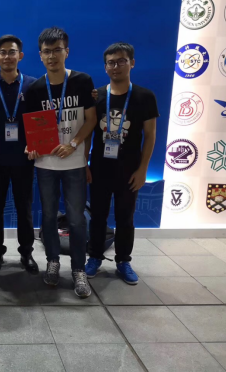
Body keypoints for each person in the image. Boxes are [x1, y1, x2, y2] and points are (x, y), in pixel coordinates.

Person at [25, 27, 97, 297]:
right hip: (45, 165)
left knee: (77, 219)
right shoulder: (35, 89)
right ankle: (53, 262)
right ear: (40, 55)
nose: (52, 56)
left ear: (67, 51)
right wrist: (31, 148)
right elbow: (32, 131)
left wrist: (74, 144)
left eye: (57, 50)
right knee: (48, 216)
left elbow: (91, 120)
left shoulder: (81, 81)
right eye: (47, 51)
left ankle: (78, 269)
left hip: (74, 163)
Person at [85, 42, 158, 284]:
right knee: (97, 216)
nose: (115, 66)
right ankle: (94, 257)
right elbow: (88, 133)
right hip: (99, 168)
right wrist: (85, 164)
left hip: (129, 169)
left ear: (132, 63)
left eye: (121, 61)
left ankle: (123, 261)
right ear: (105, 67)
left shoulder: (144, 97)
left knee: (125, 217)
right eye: (111, 63)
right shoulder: (96, 96)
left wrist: (143, 169)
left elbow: (150, 136)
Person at [0, 35, 38, 274]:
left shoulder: (32, 85)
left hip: (24, 159)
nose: (7, 56)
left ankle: (26, 253)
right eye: (2, 52)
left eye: (12, 52)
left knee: (24, 208)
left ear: (20, 56)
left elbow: (39, 119)